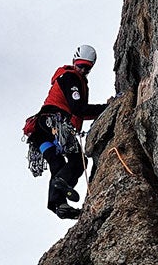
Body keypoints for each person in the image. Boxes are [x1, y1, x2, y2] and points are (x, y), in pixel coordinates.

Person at [24, 45, 106, 219]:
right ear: (74, 62)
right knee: (78, 161)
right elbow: (79, 109)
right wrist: (108, 107)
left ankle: (58, 204)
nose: (82, 70)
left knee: (57, 164)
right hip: (54, 124)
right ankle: (62, 182)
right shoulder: (71, 78)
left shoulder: (67, 77)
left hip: (40, 132)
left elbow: (80, 111)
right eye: (81, 65)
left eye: (87, 68)